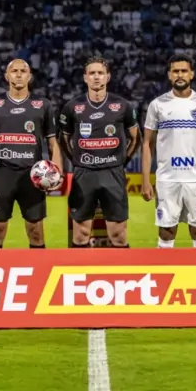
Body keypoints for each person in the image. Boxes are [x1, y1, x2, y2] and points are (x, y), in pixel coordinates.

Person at [0, 59, 62, 249]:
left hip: (33, 176)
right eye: (14, 71)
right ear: (7, 76)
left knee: (36, 231)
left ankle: (39, 276)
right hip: (1, 175)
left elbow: (53, 143)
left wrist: (57, 174)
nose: (19, 74)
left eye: (23, 70)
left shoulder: (43, 105)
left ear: (30, 77)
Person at [141, 54, 196, 248]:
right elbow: (147, 144)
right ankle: (166, 273)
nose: (180, 75)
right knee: (166, 231)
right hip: (167, 179)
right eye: (176, 71)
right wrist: (146, 180)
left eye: (184, 71)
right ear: (169, 75)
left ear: (192, 74)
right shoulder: (157, 105)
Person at [59, 56, 140, 248]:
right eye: (92, 73)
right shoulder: (72, 107)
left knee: (119, 234)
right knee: (81, 234)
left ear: (108, 77)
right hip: (83, 174)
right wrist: (77, 161)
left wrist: (122, 162)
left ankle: (120, 276)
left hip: (113, 173)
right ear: (85, 78)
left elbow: (136, 138)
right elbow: (64, 139)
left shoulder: (122, 106)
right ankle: (79, 276)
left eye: (100, 73)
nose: (96, 77)